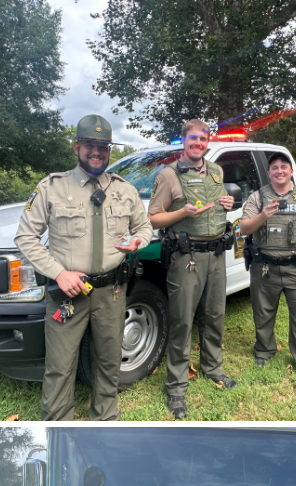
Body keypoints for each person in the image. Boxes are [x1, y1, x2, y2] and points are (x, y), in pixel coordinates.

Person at [14, 115, 153, 421]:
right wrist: (59, 273)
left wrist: (136, 243)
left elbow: (145, 228)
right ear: (76, 146)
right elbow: (25, 236)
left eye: (103, 146)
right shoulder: (52, 187)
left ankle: (105, 421)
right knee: (61, 366)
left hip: (112, 293)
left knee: (108, 362)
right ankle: (58, 427)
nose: (97, 152)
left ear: (109, 150)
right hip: (68, 294)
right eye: (90, 144)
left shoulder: (125, 190)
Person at [147, 119, 236, 420]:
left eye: (203, 139)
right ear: (182, 141)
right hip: (187, 258)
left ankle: (213, 369)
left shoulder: (216, 171)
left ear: (207, 142)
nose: (198, 144)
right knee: (183, 321)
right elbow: (153, 218)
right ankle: (176, 388)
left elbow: (219, 205)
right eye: (192, 139)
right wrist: (181, 212)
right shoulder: (169, 175)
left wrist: (228, 202)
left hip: (216, 256)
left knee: (214, 316)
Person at [238, 151, 296, 381]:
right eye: (274, 167)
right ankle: (264, 351)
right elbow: (244, 229)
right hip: (264, 267)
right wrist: (263, 216)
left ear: (290, 171)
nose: (279, 171)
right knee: (263, 313)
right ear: (268, 172)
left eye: (283, 167)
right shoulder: (258, 198)